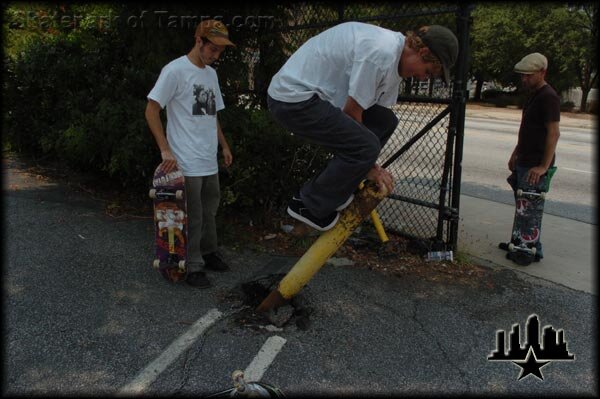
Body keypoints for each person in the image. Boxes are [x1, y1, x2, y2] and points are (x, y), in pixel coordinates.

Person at [267, 22, 458, 231]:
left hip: (317, 99)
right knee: (366, 146)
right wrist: (370, 166)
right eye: (428, 72)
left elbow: (369, 118)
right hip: (292, 100)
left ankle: (339, 188)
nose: (423, 78)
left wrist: (365, 165)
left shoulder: (395, 64)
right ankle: (308, 205)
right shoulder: (381, 53)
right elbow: (352, 113)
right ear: (422, 52)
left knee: (385, 122)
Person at [145, 20, 235, 288]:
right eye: (213, 49)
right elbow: (151, 110)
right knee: (193, 215)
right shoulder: (175, 71)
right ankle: (192, 266)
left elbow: (212, 115)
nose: (216, 56)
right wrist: (165, 149)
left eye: (220, 52)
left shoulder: (210, 75)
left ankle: (208, 253)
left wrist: (224, 145)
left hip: (208, 158)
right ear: (199, 41)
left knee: (210, 211)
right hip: (185, 159)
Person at [500, 52, 561, 262]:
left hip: (535, 164)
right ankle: (521, 242)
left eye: (528, 75)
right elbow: (527, 128)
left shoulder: (548, 96)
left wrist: (543, 166)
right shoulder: (535, 94)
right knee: (523, 205)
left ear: (542, 72)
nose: (524, 79)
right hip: (524, 159)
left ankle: (526, 251)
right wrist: (515, 152)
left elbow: (553, 132)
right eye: (522, 76)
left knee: (530, 208)